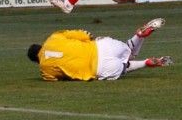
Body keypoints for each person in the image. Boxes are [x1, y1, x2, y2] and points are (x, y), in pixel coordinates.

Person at [27, 18, 173, 81]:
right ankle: (139, 36)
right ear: (41, 45)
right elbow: (84, 34)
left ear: (36, 61)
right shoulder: (54, 37)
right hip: (103, 46)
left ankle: (146, 63)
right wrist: (91, 38)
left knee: (123, 67)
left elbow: (54, 79)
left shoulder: (45, 69)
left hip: (99, 68)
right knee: (128, 50)